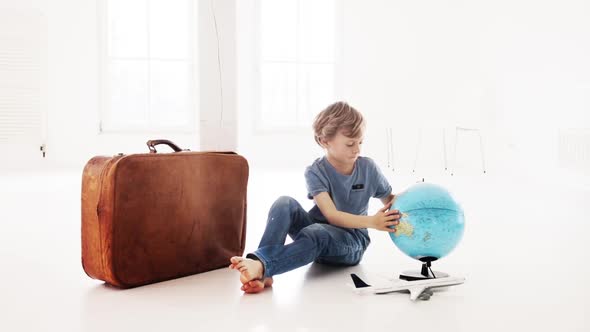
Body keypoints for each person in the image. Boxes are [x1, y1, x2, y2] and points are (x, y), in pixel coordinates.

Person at [229, 101, 401, 293]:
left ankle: (260, 265)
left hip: (351, 242)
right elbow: (331, 215)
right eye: (350, 143)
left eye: (361, 142)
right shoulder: (315, 171)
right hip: (316, 234)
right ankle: (264, 272)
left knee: (316, 232)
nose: (357, 149)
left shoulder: (368, 168)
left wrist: (411, 200)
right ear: (324, 141)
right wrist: (372, 221)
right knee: (284, 203)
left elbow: (390, 199)